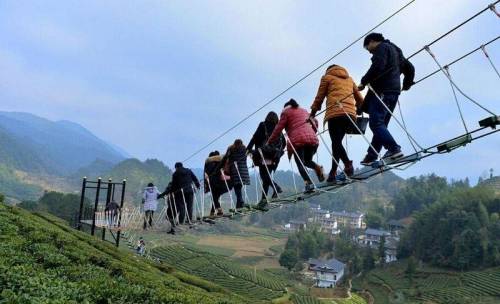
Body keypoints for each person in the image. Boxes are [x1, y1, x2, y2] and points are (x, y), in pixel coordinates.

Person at [357, 33, 414, 165]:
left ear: (371, 42)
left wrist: (363, 81)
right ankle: (372, 155)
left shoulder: (382, 48)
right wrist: (406, 84)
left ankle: (394, 149)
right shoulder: (396, 51)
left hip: (382, 90)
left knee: (376, 123)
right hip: (394, 92)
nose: (369, 52)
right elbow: (410, 68)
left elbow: (378, 66)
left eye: (367, 47)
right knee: (382, 124)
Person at [310, 64, 364, 182]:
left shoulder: (327, 78)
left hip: (335, 114)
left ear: (328, 70)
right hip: (349, 115)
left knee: (335, 143)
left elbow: (319, 98)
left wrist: (312, 114)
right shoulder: (349, 79)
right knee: (336, 144)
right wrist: (358, 109)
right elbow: (360, 98)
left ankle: (347, 165)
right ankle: (333, 173)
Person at [267, 99, 324, 192]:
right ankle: (318, 168)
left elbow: (278, 129)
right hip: (312, 140)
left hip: (298, 141)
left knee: (300, 163)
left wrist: (269, 141)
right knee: (307, 161)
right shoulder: (304, 110)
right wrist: (312, 132)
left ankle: (309, 184)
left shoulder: (285, 113)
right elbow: (315, 122)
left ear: (285, 107)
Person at [247, 111, 285, 206]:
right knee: (266, 177)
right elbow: (284, 143)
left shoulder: (263, 125)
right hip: (274, 157)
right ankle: (264, 199)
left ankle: (276, 187)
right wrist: (277, 151)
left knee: (264, 177)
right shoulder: (278, 128)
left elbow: (255, 138)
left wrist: (248, 149)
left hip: (264, 154)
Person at [158, 162, 200, 232]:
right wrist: (198, 186)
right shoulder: (189, 171)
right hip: (190, 191)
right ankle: (189, 219)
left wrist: (172, 192)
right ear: (182, 166)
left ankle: (181, 222)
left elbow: (174, 185)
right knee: (190, 206)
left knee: (182, 206)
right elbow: (195, 179)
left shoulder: (175, 174)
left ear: (176, 167)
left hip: (180, 192)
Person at [219, 139, 250, 211]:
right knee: (239, 187)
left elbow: (225, 158)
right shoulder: (245, 149)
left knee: (237, 187)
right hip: (244, 171)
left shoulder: (231, 149)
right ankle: (239, 204)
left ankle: (240, 202)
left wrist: (220, 167)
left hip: (235, 171)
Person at [204, 150, 228, 217]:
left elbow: (208, 172)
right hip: (221, 181)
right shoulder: (221, 162)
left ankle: (219, 210)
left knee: (214, 197)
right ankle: (213, 212)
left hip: (213, 182)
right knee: (215, 197)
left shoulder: (210, 163)